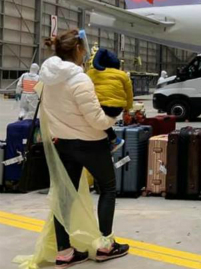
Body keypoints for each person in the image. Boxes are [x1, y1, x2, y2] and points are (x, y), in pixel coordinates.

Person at [25, 29, 129, 268]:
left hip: (63, 143)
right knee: (108, 188)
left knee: (64, 198)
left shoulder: (47, 78)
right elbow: (97, 120)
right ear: (79, 50)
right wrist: (114, 115)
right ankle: (105, 246)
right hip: (90, 143)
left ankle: (64, 252)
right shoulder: (79, 79)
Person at [87, 48, 133, 152]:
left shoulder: (91, 73)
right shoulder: (123, 75)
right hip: (117, 108)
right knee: (101, 121)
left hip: (100, 106)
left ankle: (113, 139)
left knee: (92, 118)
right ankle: (112, 140)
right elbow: (129, 94)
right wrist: (127, 109)